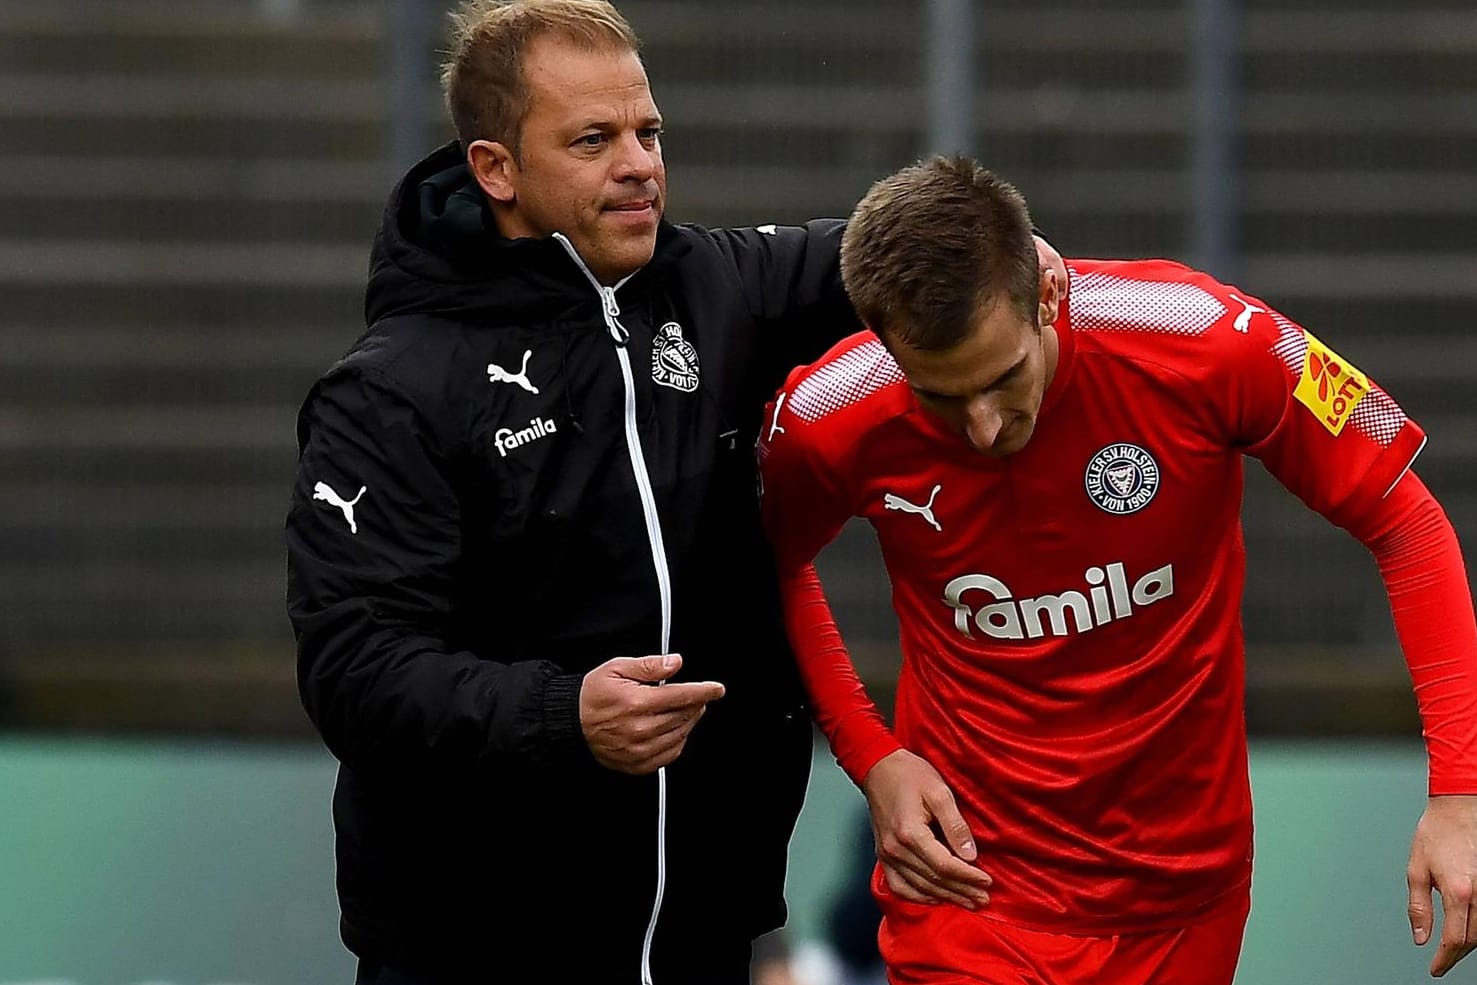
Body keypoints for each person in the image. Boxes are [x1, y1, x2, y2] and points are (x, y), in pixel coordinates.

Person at [757, 156, 1477, 984]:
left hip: (1182, 895)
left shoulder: (1209, 337)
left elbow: (1407, 521)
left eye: (1001, 379)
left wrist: (1457, 789)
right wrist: (872, 757)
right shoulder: (825, 415)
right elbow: (765, 565)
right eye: (941, 398)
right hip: (968, 887)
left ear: (1049, 295)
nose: (983, 427)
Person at [283, 1, 865, 981]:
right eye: (593, 139)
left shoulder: (710, 285)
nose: (638, 163)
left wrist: (1011, 257)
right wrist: (565, 715)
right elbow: (355, 668)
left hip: (702, 930)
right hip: (478, 944)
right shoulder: (392, 390)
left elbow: (891, 252)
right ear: (496, 169)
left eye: (648, 132)